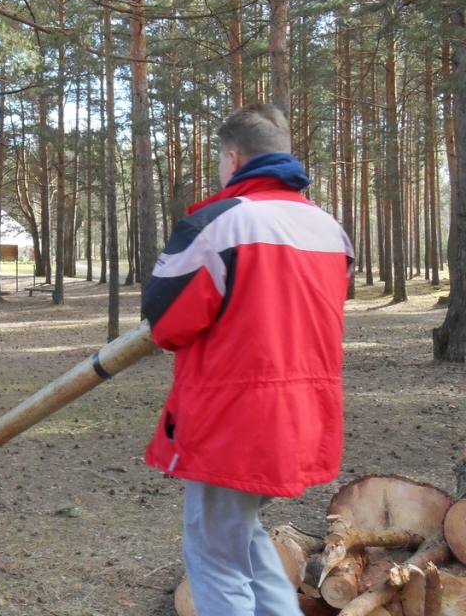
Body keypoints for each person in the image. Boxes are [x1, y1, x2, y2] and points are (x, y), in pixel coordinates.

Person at [141, 103, 354, 615]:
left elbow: (165, 322)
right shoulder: (330, 230)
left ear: (233, 158)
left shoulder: (218, 223)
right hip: (302, 418)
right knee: (243, 536)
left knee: (216, 561)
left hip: (231, 420)